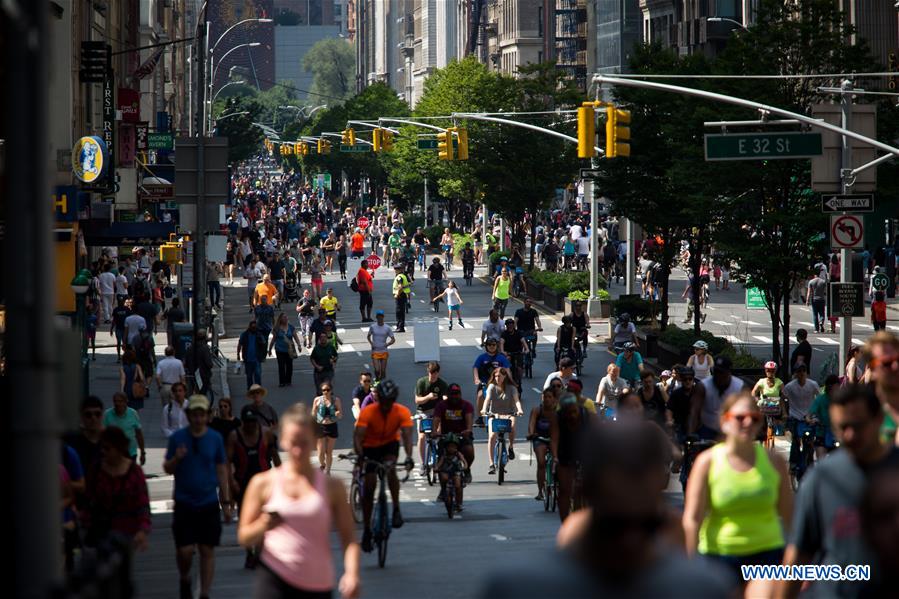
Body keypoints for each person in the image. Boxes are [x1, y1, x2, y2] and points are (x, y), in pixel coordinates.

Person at [778, 385, 899, 598]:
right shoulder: (820, 479)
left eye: (858, 426)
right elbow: (799, 554)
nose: (850, 435)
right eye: (842, 428)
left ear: (879, 419)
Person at [237, 403, 361, 599]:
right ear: (283, 441)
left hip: (317, 583)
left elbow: (349, 539)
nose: (297, 451)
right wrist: (263, 524)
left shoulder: (333, 486)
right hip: (273, 580)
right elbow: (244, 536)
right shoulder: (263, 483)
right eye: (293, 442)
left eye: (303, 443)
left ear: (314, 441)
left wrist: (352, 574)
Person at [682, 391, 792, 590]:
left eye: (755, 418)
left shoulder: (774, 462)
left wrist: (798, 565)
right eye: (740, 418)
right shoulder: (706, 463)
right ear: (724, 422)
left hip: (767, 554)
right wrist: (689, 567)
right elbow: (692, 519)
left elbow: (791, 518)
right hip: (719, 556)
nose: (748, 423)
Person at [163, 395, 232, 599]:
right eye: (195, 415)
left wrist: (226, 503)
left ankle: (204, 593)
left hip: (208, 503)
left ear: (207, 416)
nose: (199, 419)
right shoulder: (177, 438)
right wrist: (177, 458)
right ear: (188, 415)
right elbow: (167, 468)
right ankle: (184, 577)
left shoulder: (215, 438)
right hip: (184, 503)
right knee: (184, 552)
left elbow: (222, 471)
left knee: (206, 549)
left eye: (202, 415)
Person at [353, 380, 415, 553]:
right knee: (370, 485)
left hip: (389, 445)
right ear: (378, 398)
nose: (387, 405)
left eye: (390, 401)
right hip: (370, 446)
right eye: (384, 400)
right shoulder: (368, 412)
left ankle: (395, 509)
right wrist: (360, 456)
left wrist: (409, 457)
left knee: (391, 469)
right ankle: (366, 530)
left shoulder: (402, 411)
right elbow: (358, 437)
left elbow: (408, 436)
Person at [227, 405, 280, 570]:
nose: (250, 425)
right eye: (247, 422)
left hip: (265, 484)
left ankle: (259, 553)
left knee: (265, 517)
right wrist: (231, 482)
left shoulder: (266, 434)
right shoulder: (234, 437)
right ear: (242, 423)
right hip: (242, 483)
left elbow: (275, 456)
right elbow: (227, 463)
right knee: (245, 519)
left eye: (253, 422)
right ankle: (249, 551)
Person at [82, 426, 152, 551]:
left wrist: (142, 529)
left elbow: (143, 504)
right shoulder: (96, 470)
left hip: (126, 535)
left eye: (107, 448)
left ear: (119, 448)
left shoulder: (134, 471)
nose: (103, 452)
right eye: (102, 448)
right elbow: (88, 502)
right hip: (100, 535)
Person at [551, 394, 592, 522]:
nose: (572, 415)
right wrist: (555, 457)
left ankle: (583, 516)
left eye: (574, 411)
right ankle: (565, 523)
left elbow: (595, 434)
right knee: (565, 490)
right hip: (565, 451)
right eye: (569, 412)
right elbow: (554, 439)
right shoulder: (557, 418)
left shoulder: (585, 415)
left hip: (583, 450)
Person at [690, 356, 746, 440]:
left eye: (722, 372)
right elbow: (694, 411)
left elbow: (747, 411)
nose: (718, 376)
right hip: (707, 430)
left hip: (732, 430)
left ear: (729, 372)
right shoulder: (702, 386)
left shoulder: (740, 387)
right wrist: (690, 433)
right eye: (716, 372)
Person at [482, 367, 524, 474]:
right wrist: (484, 409)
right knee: (492, 436)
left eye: (499, 376)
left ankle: (510, 447)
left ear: (505, 377)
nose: (497, 378)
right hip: (494, 415)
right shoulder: (491, 387)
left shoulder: (512, 388)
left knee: (513, 425)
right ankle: (491, 464)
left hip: (508, 414)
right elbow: (487, 400)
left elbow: (517, 400)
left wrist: (519, 410)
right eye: (495, 376)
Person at [783, 364, 821, 475]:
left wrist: (818, 414)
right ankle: (793, 464)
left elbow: (819, 399)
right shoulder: (790, 386)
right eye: (799, 371)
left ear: (807, 373)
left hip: (809, 418)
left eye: (803, 371)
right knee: (795, 440)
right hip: (795, 417)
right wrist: (785, 413)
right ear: (795, 373)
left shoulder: (813, 385)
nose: (801, 373)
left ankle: (810, 462)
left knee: (809, 441)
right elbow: (783, 398)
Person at [433, 383, 476, 477]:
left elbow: (469, 419)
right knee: (440, 455)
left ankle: (467, 469)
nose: (454, 396)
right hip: (446, 436)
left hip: (462, 435)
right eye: (452, 394)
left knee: (469, 450)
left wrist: (468, 430)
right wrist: (434, 431)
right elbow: (436, 418)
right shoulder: (441, 405)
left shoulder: (466, 405)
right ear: (448, 394)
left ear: (460, 394)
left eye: (456, 393)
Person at [413, 362, 448, 471]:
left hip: (437, 412)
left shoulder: (442, 384)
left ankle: (440, 457)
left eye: (435, 373)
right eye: (431, 373)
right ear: (428, 372)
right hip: (422, 412)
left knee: (440, 433)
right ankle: (424, 463)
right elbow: (417, 400)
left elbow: (446, 397)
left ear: (438, 373)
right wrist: (428, 397)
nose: (432, 375)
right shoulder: (421, 382)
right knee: (422, 437)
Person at [472, 339, 512, 426]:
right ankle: (479, 418)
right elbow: (475, 368)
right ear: (486, 346)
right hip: (484, 383)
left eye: (493, 345)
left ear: (496, 346)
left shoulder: (501, 358)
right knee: (480, 396)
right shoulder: (481, 357)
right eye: (489, 345)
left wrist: (509, 380)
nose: (491, 346)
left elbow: (507, 370)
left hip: (499, 383)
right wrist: (476, 379)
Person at [527, 389, 558, 501]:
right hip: (540, 439)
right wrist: (531, 434)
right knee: (541, 463)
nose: (547, 399)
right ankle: (541, 491)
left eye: (550, 397)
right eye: (545, 397)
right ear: (542, 398)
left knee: (559, 460)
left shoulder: (558, 411)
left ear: (554, 399)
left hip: (555, 440)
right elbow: (531, 424)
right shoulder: (537, 410)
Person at [103, 392, 146, 465]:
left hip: (130, 453)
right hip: (113, 454)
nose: (117, 404)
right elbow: (103, 434)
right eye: (115, 401)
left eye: (120, 401)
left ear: (126, 402)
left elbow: (139, 434)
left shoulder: (133, 413)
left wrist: (142, 452)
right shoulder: (107, 414)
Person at [752, 361, 786, 447]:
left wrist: (785, 394)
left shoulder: (779, 382)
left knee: (782, 401)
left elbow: (784, 393)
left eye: (772, 370)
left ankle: (778, 426)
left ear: (775, 371)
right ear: (765, 371)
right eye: (768, 370)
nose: (770, 372)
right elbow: (753, 392)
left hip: (775, 407)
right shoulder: (761, 381)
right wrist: (755, 398)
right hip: (763, 406)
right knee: (760, 423)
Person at [312, 383, 343, 475]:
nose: (326, 392)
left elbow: (341, 415)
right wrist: (314, 412)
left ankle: (328, 471)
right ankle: (323, 464)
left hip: (332, 426)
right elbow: (313, 414)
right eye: (323, 390)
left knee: (329, 452)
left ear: (331, 390)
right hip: (320, 426)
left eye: (328, 390)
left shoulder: (336, 400)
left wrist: (338, 414)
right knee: (321, 452)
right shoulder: (317, 400)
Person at [809, 375, 841, 459]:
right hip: (821, 433)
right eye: (834, 387)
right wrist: (810, 420)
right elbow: (811, 413)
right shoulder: (820, 399)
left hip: (836, 435)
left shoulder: (841, 400)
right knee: (821, 459)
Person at [435, 434, 468, 512]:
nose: (451, 449)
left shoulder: (458, 454)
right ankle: (443, 492)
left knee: (458, 485)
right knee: (444, 478)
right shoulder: (444, 456)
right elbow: (439, 464)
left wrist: (465, 467)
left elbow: (464, 462)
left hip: (456, 471)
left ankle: (459, 503)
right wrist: (436, 468)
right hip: (446, 471)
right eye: (449, 447)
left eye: (453, 447)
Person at [268, 313, 301, 388]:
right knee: (281, 366)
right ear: (280, 319)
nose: (285, 319)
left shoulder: (291, 327)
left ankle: (288, 381)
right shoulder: (277, 328)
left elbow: (295, 337)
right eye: (284, 317)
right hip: (280, 350)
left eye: (286, 317)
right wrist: (269, 349)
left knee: (289, 366)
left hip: (290, 350)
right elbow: (273, 340)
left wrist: (299, 345)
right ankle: (282, 382)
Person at [366, 310, 395, 380]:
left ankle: (382, 383)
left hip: (384, 351)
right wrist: (371, 343)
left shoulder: (387, 328)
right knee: (377, 370)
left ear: (383, 317)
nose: (380, 318)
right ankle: (377, 380)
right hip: (375, 351)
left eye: (381, 316)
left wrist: (387, 344)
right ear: (376, 317)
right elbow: (368, 336)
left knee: (383, 371)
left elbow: (393, 339)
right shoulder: (373, 327)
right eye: (378, 316)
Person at [237, 320, 267, 389]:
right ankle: (250, 389)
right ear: (249, 327)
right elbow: (240, 344)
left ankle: (258, 389)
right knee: (249, 376)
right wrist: (238, 354)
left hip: (257, 359)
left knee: (258, 375)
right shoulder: (244, 335)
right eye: (252, 327)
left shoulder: (259, 335)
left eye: (255, 327)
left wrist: (263, 355)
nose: (254, 328)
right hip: (248, 359)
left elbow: (264, 344)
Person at [110, 296, 130, 361]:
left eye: (122, 301)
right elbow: (114, 320)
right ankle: (119, 356)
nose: (121, 302)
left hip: (125, 329)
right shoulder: (116, 309)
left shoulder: (127, 309)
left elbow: (129, 318)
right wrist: (111, 328)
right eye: (119, 301)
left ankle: (125, 355)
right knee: (119, 342)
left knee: (125, 343)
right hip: (118, 328)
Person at [392, 264, 410, 332]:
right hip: (403, 295)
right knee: (401, 312)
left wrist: (397, 294)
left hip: (400, 296)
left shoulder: (399, 277)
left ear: (399, 270)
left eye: (396, 270)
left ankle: (400, 327)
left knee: (399, 312)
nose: (395, 271)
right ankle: (400, 327)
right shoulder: (402, 276)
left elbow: (400, 286)